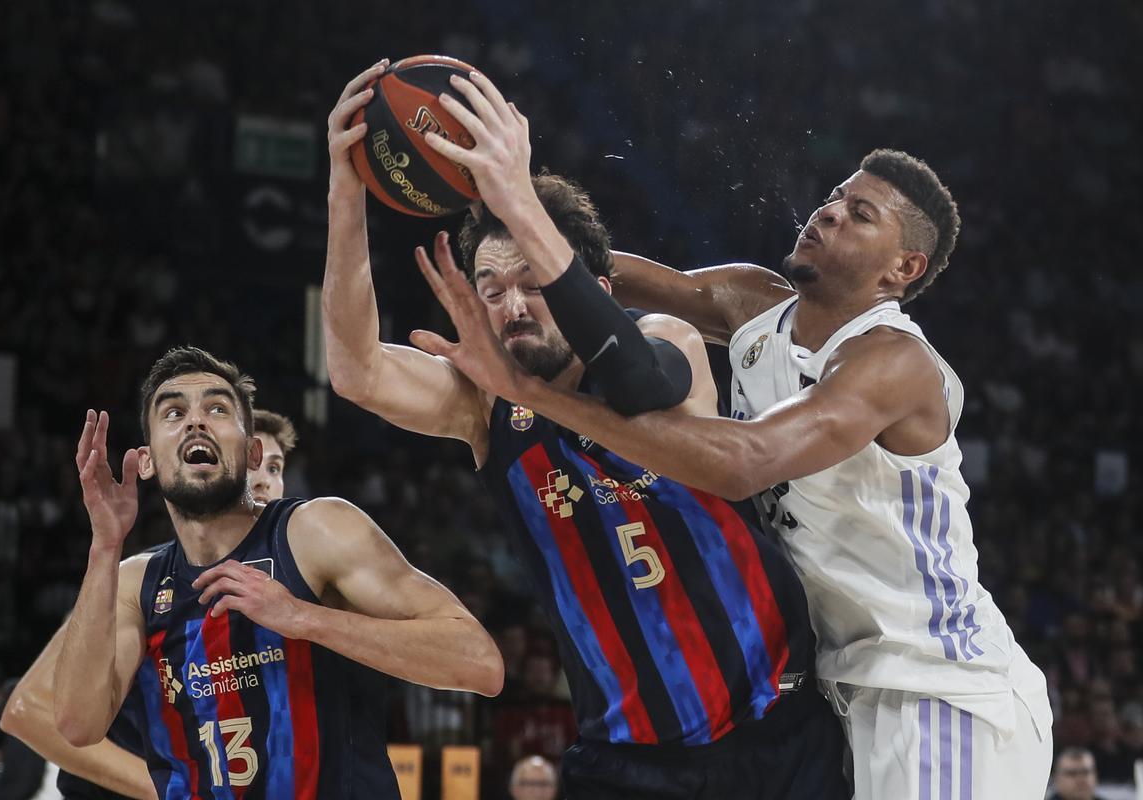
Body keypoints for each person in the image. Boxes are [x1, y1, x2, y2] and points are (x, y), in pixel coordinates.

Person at [407, 68, 1053, 798]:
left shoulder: (893, 363)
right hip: (845, 690)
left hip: (938, 687)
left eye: (861, 214)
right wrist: (502, 213)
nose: (831, 212)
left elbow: (743, 464)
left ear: (902, 269)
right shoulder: (751, 301)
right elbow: (581, 272)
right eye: (836, 196)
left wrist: (529, 389)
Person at [323, 61, 846, 799]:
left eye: (533, 283)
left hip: (778, 738)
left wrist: (514, 192)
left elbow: (643, 384)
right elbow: (354, 371)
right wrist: (350, 191)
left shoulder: (667, 339)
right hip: (629, 764)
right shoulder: (486, 404)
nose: (512, 305)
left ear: (592, 290)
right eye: (491, 289)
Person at [49, 346, 503, 798]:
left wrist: (304, 618)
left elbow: (479, 662)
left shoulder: (315, 532)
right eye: (173, 412)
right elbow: (77, 725)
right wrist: (105, 545)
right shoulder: (136, 582)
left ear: (251, 453)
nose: (195, 421)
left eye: (217, 408)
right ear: (146, 460)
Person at [1, 408, 302, 799]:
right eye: (250, 461)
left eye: (275, 468)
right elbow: (29, 711)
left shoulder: (281, 589)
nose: (264, 480)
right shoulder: (144, 579)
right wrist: (170, 790)